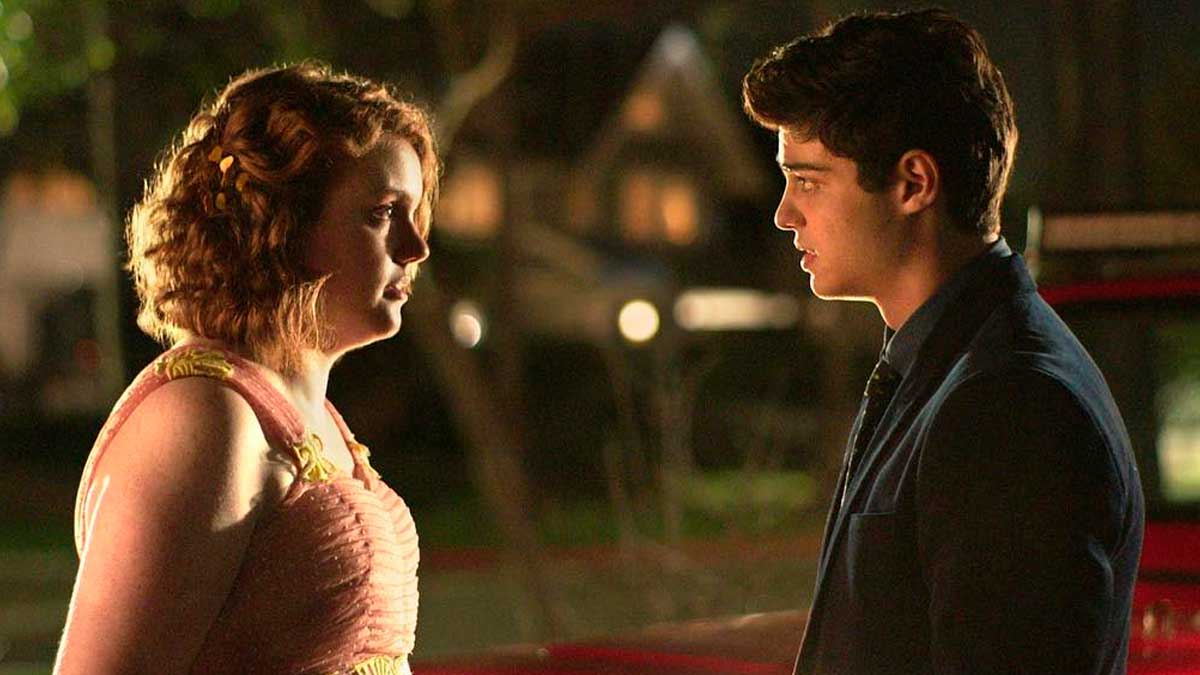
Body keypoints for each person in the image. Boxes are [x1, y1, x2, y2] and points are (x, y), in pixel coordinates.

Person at [743, 9, 1143, 674]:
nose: (786, 214)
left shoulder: (1008, 405)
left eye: (808, 180)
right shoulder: (942, 370)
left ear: (914, 184)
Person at [54, 62, 438, 674]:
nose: (416, 247)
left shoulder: (311, 416)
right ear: (280, 225)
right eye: (383, 212)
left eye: (414, 214)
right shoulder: (204, 415)